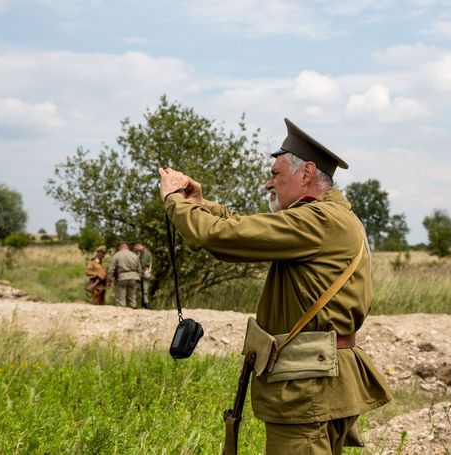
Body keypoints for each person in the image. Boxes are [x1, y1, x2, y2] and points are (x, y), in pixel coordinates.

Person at [158, 118, 391, 454]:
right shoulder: (328, 218)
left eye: (276, 174)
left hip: (306, 387)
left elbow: (221, 237)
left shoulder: (319, 220)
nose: (269, 184)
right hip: (316, 380)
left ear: (306, 173)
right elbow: (245, 225)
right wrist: (201, 205)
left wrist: (174, 200)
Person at [107, 242, 142, 309]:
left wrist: (109, 280)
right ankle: (132, 312)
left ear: (120, 248)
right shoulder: (134, 255)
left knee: (121, 299)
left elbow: (111, 269)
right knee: (132, 299)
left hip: (122, 278)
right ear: (127, 248)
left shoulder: (117, 255)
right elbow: (139, 269)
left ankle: (122, 314)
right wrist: (138, 279)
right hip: (134, 278)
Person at [132, 241, 153, 308]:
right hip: (143, 274)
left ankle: (147, 306)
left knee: (144, 291)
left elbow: (143, 264)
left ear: (138, 246)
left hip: (144, 274)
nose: (134, 248)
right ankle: (144, 306)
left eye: (135, 247)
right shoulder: (142, 253)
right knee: (142, 291)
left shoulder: (145, 253)